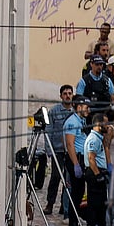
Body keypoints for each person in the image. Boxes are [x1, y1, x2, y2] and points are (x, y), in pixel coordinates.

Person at [63, 95, 90, 226]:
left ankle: (74, 222)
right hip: (75, 159)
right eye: (86, 106)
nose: (88, 109)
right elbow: (69, 144)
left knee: (79, 193)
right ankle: (72, 224)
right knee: (76, 193)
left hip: (80, 159)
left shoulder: (81, 120)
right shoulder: (73, 122)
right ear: (78, 107)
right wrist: (75, 164)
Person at [45, 85, 75, 216]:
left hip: (71, 151)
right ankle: (50, 203)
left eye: (69, 93)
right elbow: (48, 130)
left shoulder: (75, 111)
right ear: (61, 96)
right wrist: (49, 149)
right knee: (56, 177)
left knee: (68, 180)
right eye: (65, 93)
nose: (67, 95)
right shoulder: (54, 111)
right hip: (57, 150)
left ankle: (64, 206)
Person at [83, 112, 110, 226]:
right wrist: (98, 175)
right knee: (94, 205)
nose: (108, 126)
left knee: (101, 205)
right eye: (105, 123)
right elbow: (91, 158)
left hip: (99, 172)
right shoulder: (93, 139)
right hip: (94, 174)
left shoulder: (99, 138)